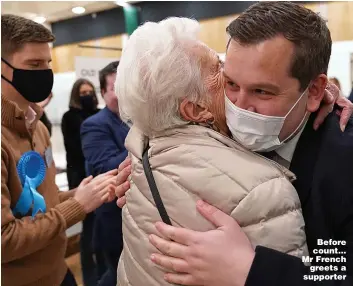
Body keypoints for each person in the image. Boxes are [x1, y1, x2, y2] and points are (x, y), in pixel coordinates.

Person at [115, 2, 353, 286]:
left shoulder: (342, 163)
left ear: (314, 90)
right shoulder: (200, 140)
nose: (238, 106)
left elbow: (339, 268)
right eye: (230, 83)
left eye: (262, 91)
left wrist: (252, 270)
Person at [1, 14, 118, 286]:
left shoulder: (37, 127)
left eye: (47, 64)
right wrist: (78, 206)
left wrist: (79, 194)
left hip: (57, 272)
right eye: (33, 64)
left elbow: (38, 202)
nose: (44, 73)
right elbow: (4, 239)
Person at [81, 61, 129, 286]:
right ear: (102, 92)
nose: (123, 93)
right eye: (115, 88)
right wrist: (147, 140)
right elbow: (105, 168)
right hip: (115, 222)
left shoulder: (138, 119)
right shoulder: (94, 125)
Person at [61, 78, 102, 286]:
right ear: (77, 95)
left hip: (99, 178)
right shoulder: (70, 117)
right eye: (83, 93)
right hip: (80, 179)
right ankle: (90, 278)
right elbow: (75, 149)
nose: (87, 96)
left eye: (90, 92)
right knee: (88, 231)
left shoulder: (98, 114)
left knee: (101, 227)